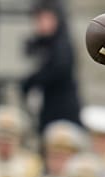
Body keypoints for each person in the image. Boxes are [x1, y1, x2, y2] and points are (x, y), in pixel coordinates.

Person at [21, 0, 81, 131]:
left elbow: (58, 69)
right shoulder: (43, 43)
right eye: (39, 19)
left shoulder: (62, 44)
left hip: (63, 108)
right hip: (49, 105)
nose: (41, 24)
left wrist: (31, 81)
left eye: (46, 19)